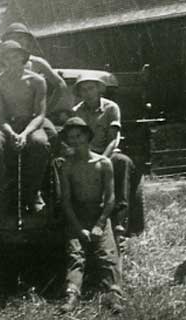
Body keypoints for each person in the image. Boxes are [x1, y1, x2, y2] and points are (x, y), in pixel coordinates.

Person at [0, 40, 53, 228]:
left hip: (32, 123)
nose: (13, 60)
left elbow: (40, 114)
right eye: (8, 57)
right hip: (7, 125)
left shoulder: (37, 81)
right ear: (2, 60)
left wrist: (25, 133)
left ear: (23, 56)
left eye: (16, 56)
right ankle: (3, 194)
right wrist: (13, 133)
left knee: (40, 143)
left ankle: (33, 193)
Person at [59, 117, 123, 313]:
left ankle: (113, 295)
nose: (76, 141)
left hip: (99, 214)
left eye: (79, 136)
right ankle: (72, 294)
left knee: (107, 254)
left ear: (87, 136)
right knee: (75, 254)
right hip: (77, 216)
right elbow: (66, 201)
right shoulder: (68, 166)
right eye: (71, 138)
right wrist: (78, 228)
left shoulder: (103, 163)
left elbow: (110, 198)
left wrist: (99, 224)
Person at [72, 73, 136, 234]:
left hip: (107, 152)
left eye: (91, 88)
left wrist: (101, 160)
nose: (88, 93)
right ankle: (74, 219)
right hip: (84, 153)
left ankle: (120, 220)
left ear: (99, 89)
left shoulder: (111, 108)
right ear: (79, 93)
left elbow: (114, 139)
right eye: (83, 90)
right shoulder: (76, 111)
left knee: (122, 162)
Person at [0, 22, 67, 113]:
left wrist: (47, 109)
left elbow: (60, 85)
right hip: (8, 116)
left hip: (33, 114)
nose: (17, 40)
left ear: (27, 40)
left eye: (20, 37)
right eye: (12, 38)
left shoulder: (36, 62)